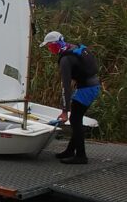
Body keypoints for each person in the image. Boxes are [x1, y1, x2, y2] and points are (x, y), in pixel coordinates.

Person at [40, 31, 100, 165]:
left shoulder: (65, 59)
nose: (50, 50)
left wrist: (64, 110)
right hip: (92, 86)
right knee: (76, 119)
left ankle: (81, 156)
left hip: (87, 89)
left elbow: (65, 87)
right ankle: (69, 151)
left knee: (74, 119)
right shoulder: (72, 48)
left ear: (55, 45)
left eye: (50, 46)